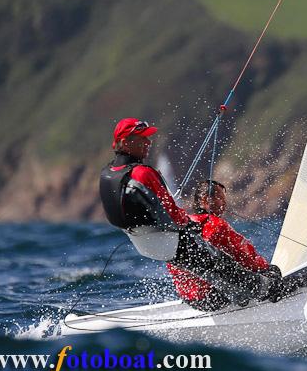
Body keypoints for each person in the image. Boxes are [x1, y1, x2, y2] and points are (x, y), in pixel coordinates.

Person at [99, 118, 283, 305]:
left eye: (148, 138)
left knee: (206, 268)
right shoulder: (142, 173)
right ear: (126, 142)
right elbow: (172, 213)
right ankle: (267, 290)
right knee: (219, 264)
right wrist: (192, 223)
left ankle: (214, 298)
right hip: (169, 240)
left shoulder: (108, 172)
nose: (148, 143)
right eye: (142, 139)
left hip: (145, 243)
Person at [168, 180, 277, 311]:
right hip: (214, 298)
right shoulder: (216, 225)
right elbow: (246, 258)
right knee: (274, 276)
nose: (224, 203)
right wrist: (268, 271)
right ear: (205, 200)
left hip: (191, 299)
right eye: (220, 198)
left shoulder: (184, 224)